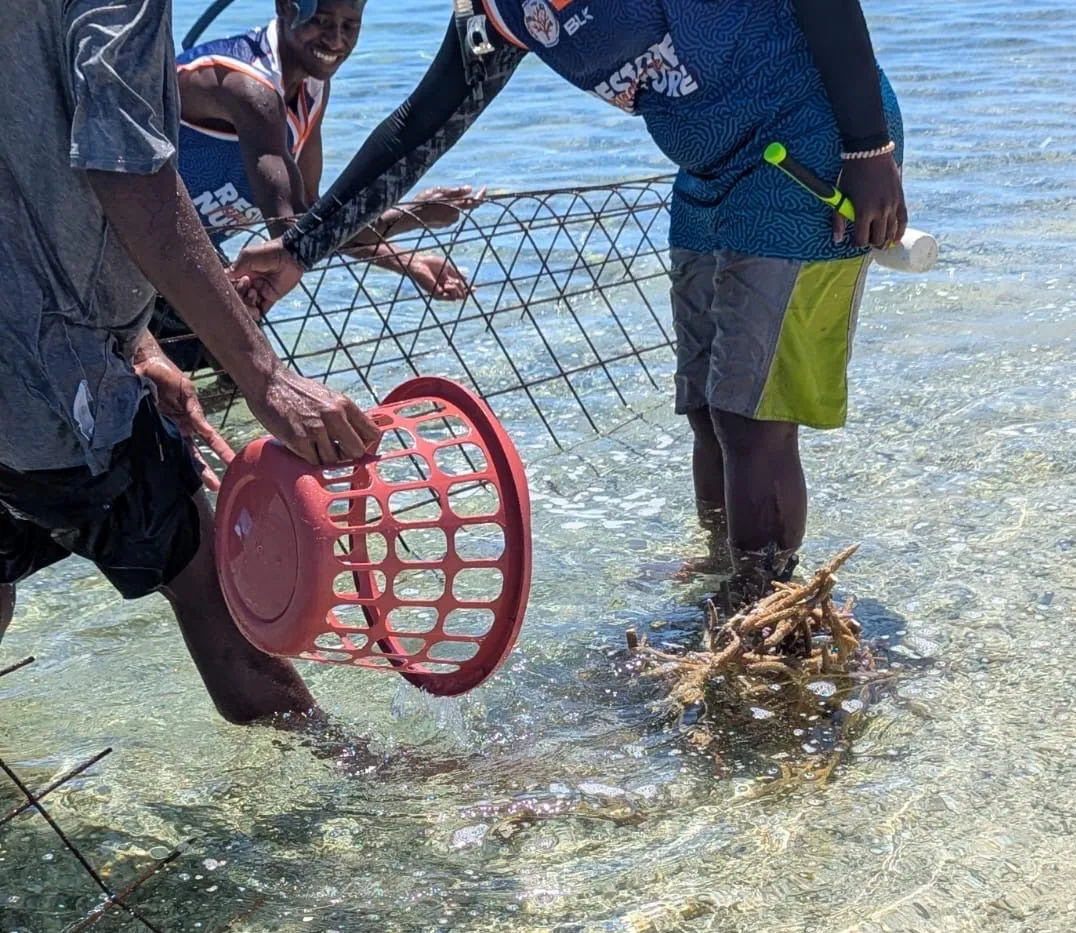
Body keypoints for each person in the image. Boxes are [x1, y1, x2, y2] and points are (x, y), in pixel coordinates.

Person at [231, 0, 908, 602]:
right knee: (706, 406)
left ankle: (765, 613)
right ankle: (724, 580)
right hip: (710, 170)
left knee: (750, 415)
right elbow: (418, 127)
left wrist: (869, 146)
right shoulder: (495, 14)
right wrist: (300, 251)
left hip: (816, 145)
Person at [0, 0, 380, 726]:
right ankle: (368, 784)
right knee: (212, 587)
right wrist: (264, 377)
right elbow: (127, 169)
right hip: (48, 379)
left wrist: (139, 345)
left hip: (52, 348)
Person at [174, 0, 486, 308]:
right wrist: (414, 215)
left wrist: (408, 261)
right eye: (321, 22)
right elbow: (294, 230)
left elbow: (313, 211)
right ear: (285, 7)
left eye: (350, 25)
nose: (336, 40)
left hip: (185, 254)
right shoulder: (248, 88)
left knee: (237, 332)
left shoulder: (313, 85)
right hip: (136, 245)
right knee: (243, 347)